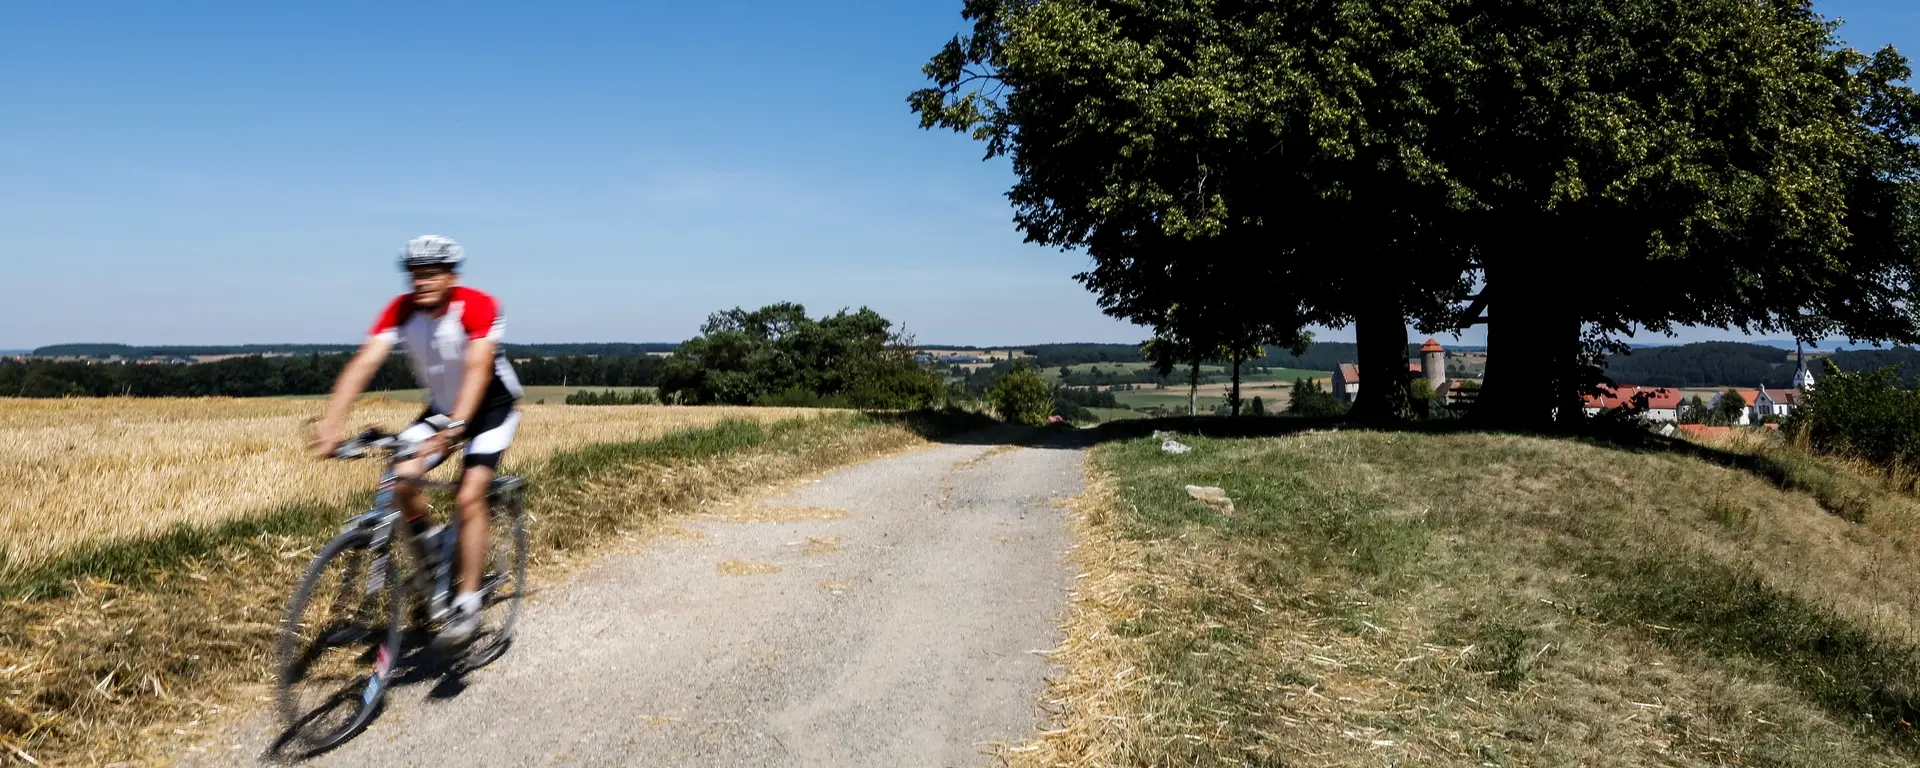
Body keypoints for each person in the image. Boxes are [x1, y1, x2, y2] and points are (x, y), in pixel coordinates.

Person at [313, 235, 524, 646]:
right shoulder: (400, 310)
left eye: (431, 274)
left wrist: (455, 430)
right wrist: (332, 423)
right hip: (442, 409)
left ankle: (466, 603)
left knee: (469, 495)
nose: (422, 282)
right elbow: (365, 362)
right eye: (415, 274)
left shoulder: (477, 305)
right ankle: (432, 556)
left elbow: (479, 369)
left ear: (450, 275)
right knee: (400, 476)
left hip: (490, 409)